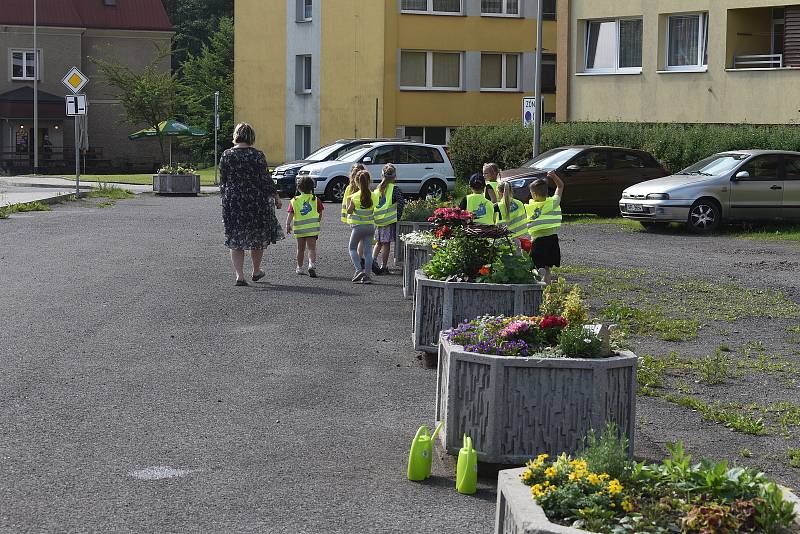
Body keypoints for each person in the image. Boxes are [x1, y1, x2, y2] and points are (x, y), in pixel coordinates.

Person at [219, 122, 284, 286]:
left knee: (236, 237)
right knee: (257, 236)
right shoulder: (257, 155)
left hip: (234, 201)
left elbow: (223, 181)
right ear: (251, 137)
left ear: (236, 136)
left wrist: (225, 199)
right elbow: (265, 179)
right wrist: (276, 196)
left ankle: (239, 276)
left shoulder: (226, 155)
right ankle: (256, 271)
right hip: (256, 200)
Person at [526, 170, 564, 284]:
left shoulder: (530, 206)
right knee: (547, 268)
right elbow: (561, 186)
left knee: (533, 264)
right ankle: (546, 287)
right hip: (552, 239)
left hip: (538, 241)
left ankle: (538, 276)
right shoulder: (552, 202)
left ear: (535, 194)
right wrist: (554, 176)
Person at [371, 163, 405, 276]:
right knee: (386, 244)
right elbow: (400, 203)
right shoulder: (394, 189)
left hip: (378, 221)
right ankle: (384, 266)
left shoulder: (377, 189)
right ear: (395, 177)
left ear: (382, 175)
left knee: (379, 242)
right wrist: (398, 216)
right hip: (389, 221)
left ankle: (373, 259)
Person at [286, 176, 323, 278]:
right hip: (312, 228)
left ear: (298, 188)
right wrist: (317, 221)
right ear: (312, 187)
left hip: (299, 229)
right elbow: (320, 213)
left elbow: (290, 214)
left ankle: (299, 267)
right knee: (312, 248)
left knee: (300, 249)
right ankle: (311, 264)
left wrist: (288, 224)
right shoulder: (315, 199)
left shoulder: (294, 200)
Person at [346, 170, 375, 284]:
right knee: (368, 252)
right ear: (369, 181)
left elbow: (349, 210)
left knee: (352, 248)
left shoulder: (353, 197)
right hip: (370, 226)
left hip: (358, 226)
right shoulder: (374, 195)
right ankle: (367, 276)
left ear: (356, 182)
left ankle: (358, 270)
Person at [342, 163, 366, 268]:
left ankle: (358, 258)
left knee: (355, 241)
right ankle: (360, 258)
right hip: (364, 218)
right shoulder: (364, 188)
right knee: (361, 240)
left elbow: (347, 206)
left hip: (353, 218)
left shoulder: (349, 188)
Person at [496, 180, 529, 245]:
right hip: (525, 238)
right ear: (511, 191)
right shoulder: (519, 203)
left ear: (498, 192)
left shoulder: (497, 207)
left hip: (510, 241)